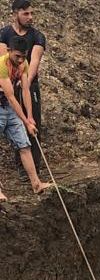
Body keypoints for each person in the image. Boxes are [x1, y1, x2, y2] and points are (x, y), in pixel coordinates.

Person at [0, 34, 48, 197]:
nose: (21, 60)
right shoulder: (2, 65)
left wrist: (30, 117)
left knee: (24, 144)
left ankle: (36, 183)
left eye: (23, 56)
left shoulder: (24, 63)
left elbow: (25, 89)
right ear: (9, 51)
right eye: (17, 56)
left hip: (10, 109)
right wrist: (26, 122)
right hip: (3, 104)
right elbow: (11, 95)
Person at [0, 0, 45, 171]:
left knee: (32, 122)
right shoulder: (4, 34)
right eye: (26, 13)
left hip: (28, 82)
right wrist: (11, 80)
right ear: (15, 14)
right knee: (16, 121)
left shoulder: (37, 36)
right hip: (7, 82)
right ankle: (21, 166)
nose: (30, 17)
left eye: (31, 13)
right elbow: (5, 59)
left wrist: (22, 78)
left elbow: (33, 61)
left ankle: (34, 168)